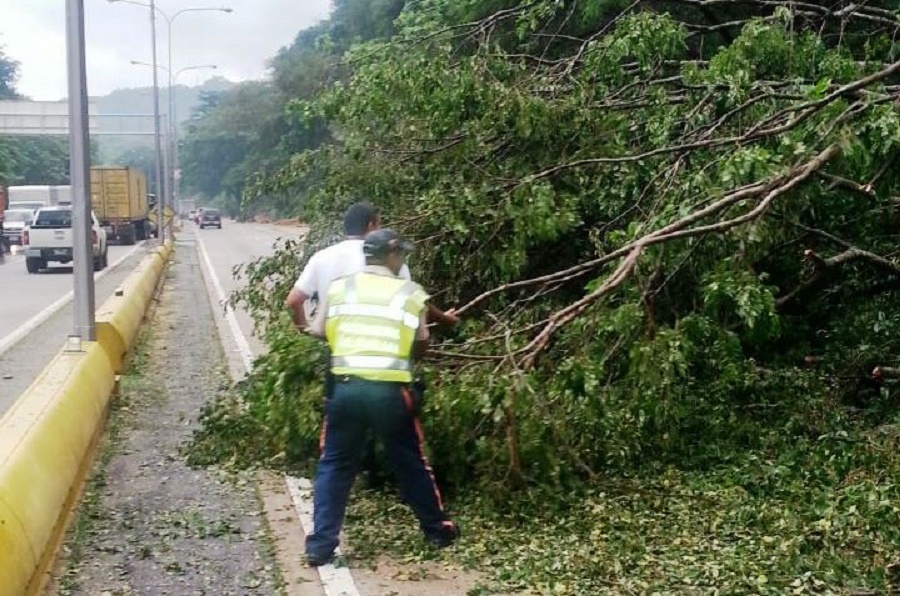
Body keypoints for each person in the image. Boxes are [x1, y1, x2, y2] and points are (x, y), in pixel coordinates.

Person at [303, 228, 459, 566]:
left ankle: (320, 545)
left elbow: (317, 332)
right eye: (400, 253)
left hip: (345, 389)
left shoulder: (340, 288)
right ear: (391, 255)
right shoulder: (411, 294)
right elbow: (421, 343)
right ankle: (437, 530)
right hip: (391, 394)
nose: (402, 259)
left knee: (335, 463)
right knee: (410, 461)